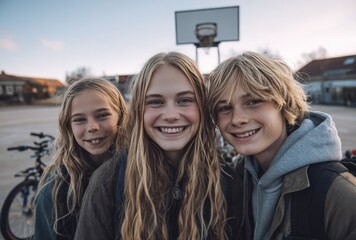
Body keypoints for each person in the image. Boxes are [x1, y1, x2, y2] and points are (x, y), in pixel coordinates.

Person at [74, 52, 243, 240]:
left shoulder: (228, 180)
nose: (171, 115)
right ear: (139, 111)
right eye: (155, 102)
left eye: (184, 100)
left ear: (202, 107)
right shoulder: (108, 182)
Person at [206, 51, 356, 240]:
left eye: (253, 101)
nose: (238, 119)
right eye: (225, 108)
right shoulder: (238, 179)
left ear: (283, 104)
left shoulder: (334, 191)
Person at [34, 77, 128, 240]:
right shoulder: (54, 191)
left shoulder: (141, 171)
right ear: (68, 125)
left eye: (102, 115)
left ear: (120, 116)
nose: (92, 127)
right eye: (80, 119)